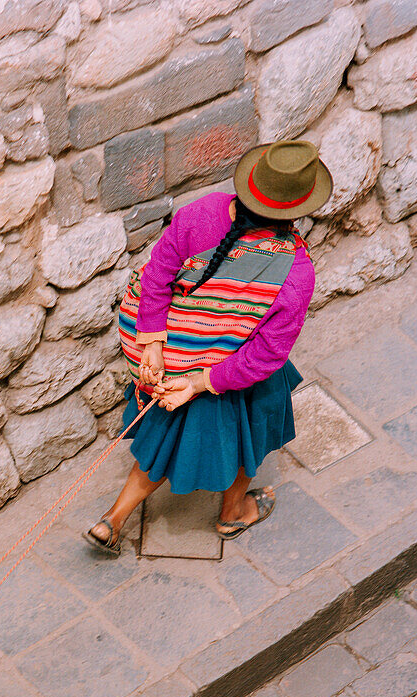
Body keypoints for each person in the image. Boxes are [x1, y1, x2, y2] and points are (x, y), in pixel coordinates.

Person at [83, 139, 332, 555]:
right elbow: (265, 357)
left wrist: (154, 345)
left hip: (171, 354)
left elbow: (157, 274)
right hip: (226, 371)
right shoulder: (296, 272)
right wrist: (200, 383)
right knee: (253, 429)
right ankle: (232, 514)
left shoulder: (200, 214)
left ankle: (113, 519)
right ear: (298, 209)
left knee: (163, 438)